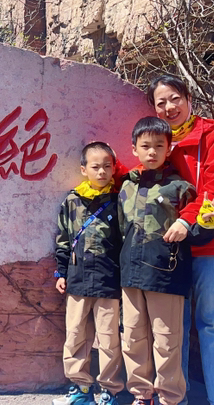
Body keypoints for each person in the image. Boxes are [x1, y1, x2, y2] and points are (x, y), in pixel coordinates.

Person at [117, 117, 214, 405]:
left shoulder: (180, 187)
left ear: (169, 149)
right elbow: (120, 231)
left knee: (167, 341)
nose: (152, 152)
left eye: (159, 146)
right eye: (145, 146)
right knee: (132, 339)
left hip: (166, 274)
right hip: (130, 276)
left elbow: (195, 232)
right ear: (134, 149)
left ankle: (170, 398)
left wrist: (209, 221)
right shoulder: (126, 186)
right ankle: (141, 396)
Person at [145, 75, 214, 405]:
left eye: (175, 98)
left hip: (210, 244)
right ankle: (175, 400)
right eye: (161, 103)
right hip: (169, 248)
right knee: (173, 329)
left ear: (188, 99)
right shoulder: (157, 141)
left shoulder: (211, 134)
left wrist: (186, 219)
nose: (169, 107)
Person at [52, 142, 125, 405]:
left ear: (114, 169)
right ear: (84, 169)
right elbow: (63, 238)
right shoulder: (72, 201)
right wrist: (61, 272)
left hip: (108, 281)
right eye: (95, 167)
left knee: (109, 339)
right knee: (75, 335)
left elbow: (125, 241)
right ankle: (81, 389)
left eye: (107, 166)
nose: (102, 171)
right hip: (78, 279)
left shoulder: (118, 201)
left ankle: (109, 391)